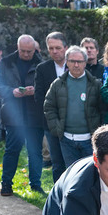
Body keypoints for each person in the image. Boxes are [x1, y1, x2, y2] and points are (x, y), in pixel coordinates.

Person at [0, 35, 44, 196]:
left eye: (30, 51)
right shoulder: (6, 62)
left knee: (35, 151)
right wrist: (11, 92)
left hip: (35, 114)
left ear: (35, 49)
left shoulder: (41, 63)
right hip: (13, 114)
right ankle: (6, 184)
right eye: (23, 51)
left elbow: (47, 85)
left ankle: (35, 184)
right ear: (17, 47)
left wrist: (36, 91)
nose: (27, 54)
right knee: (12, 150)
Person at [44, 46, 103, 167]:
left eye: (79, 61)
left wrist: (99, 132)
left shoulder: (95, 84)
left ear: (85, 63)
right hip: (67, 141)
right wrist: (57, 128)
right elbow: (49, 107)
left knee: (91, 173)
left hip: (89, 140)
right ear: (67, 62)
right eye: (72, 61)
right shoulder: (58, 84)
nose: (76, 65)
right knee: (72, 174)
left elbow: (103, 109)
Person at [35, 31, 69, 185]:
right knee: (57, 163)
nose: (54, 51)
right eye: (51, 48)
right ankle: (59, 194)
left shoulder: (76, 64)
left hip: (75, 123)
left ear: (66, 48)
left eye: (58, 48)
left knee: (74, 162)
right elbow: (39, 97)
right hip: (52, 123)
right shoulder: (43, 69)